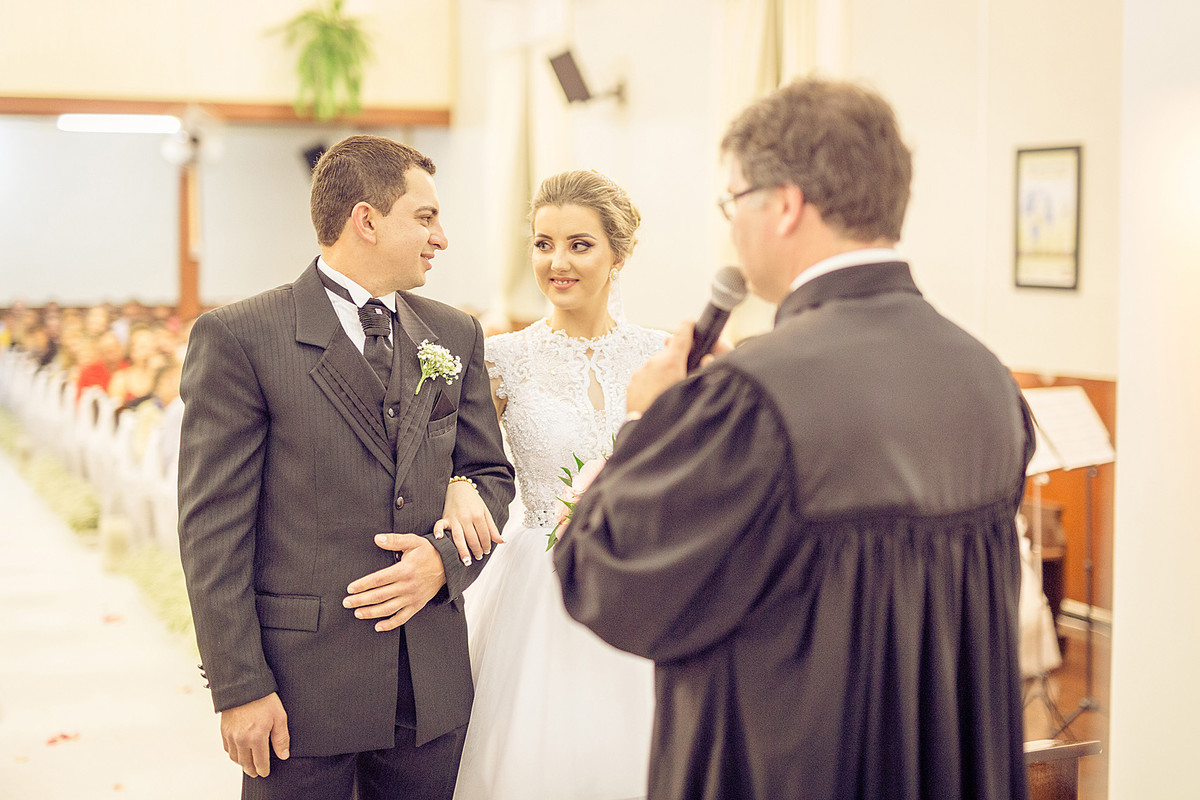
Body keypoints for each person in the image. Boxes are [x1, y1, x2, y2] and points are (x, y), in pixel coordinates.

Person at [554, 78, 1036, 800]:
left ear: (783, 205)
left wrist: (645, 423)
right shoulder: (986, 378)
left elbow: (605, 578)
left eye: (733, 202)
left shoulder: (751, 396)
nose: (732, 227)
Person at [178, 134, 516, 800]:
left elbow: (492, 477)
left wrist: (443, 559)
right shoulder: (243, 338)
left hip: (429, 684)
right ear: (367, 219)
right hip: (301, 690)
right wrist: (241, 687)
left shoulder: (454, 335)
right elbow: (212, 532)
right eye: (425, 217)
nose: (441, 238)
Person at [453, 170, 664, 800]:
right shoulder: (501, 358)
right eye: (543, 244)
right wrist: (456, 482)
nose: (556, 262)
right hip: (539, 584)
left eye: (579, 244)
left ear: (618, 256)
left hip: (642, 579)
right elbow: (458, 456)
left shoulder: (662, 357)